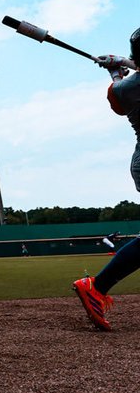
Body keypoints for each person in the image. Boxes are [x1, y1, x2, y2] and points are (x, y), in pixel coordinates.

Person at [72, 37, 140, 330]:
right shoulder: (130, 86)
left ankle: (97, 286)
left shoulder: (127, 86)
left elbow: (117, 96)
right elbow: (118, 96)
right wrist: (118, 69)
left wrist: (116, 67)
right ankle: (96, 286)